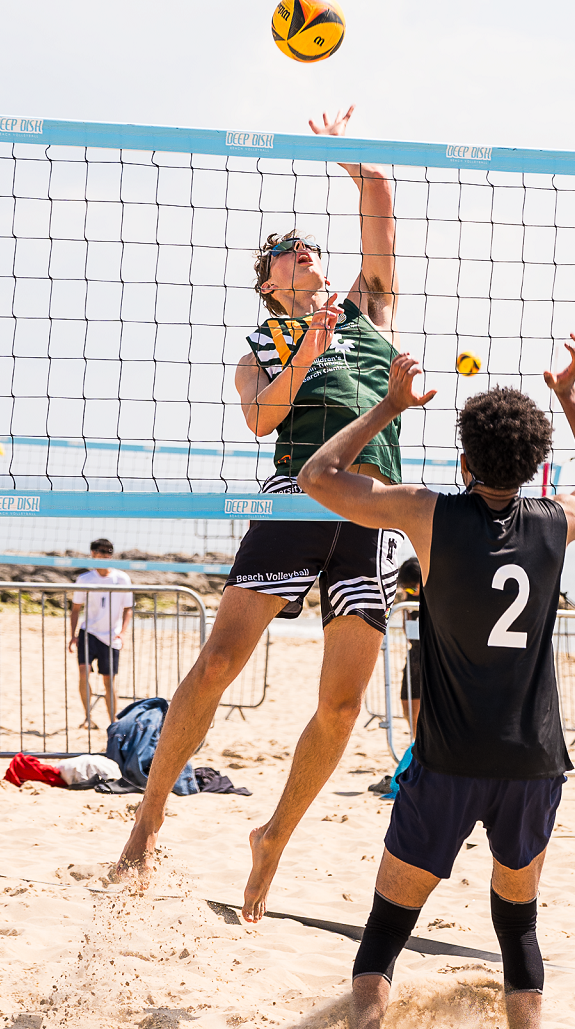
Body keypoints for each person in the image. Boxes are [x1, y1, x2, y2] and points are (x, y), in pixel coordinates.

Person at [116, 105, 403, 921]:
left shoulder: (369, 310)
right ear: (270, 281)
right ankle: (149, 818)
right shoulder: (260, 347)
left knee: (343, 705)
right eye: (285, 251)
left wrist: (347, 154)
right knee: (216, 666)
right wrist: (307, 349)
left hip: (374, 508)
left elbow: (380, 190)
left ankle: (271, 836)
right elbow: (261, 420)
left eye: (305, 244)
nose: (301, 249)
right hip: (299, 500)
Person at [297, 334, 575, 1029]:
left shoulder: (428, 512)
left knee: (386, 930)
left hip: (447, 761)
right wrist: (567, 394)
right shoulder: (559, 521)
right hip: (532, 763)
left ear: (465, 459)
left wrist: (389, 404)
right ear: (539, 466)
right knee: (518, 926)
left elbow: (318, 477)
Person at [69, 538, 135, 728]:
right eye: (101, 551)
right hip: (88, 633)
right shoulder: (84, 579)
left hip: (111, 636)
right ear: (93, 553)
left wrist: (122, 633)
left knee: (109, 681)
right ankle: (88, 717)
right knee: (83, 673)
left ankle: (113, 722)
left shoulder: (122, 579)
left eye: (108, 551)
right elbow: (75, 609)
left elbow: (128, 608)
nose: (105, 555)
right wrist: (72, 635)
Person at [393, 556, 423, 737]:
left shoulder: (433, 594)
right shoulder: (409, 598)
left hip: (435, 654)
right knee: (407, 700)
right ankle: (415, 739)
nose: (410, 591)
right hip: (415, 653)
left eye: (412, 587)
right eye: (406, 588)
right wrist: (405, 600)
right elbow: (406, 630)